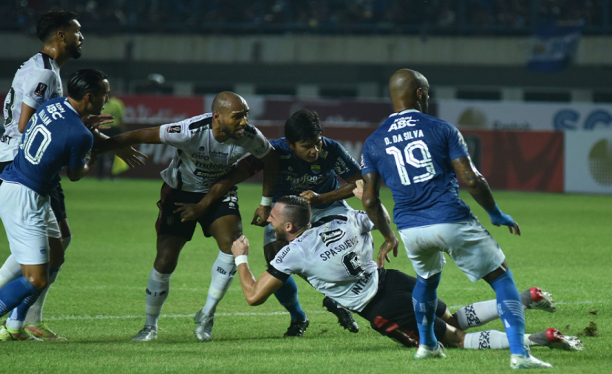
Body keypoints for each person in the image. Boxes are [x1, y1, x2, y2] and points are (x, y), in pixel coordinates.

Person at [0, 11, 143, 340]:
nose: (81, 37)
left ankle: (8, 315)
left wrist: (91, 137)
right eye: (77, 31)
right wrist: (91, 142)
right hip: (25, 166)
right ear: (61, 35)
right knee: (39, 254)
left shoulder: (43, 68)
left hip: (21, 164)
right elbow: (27, 126)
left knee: (51, 247)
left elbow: (58, 121)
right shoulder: (44, 74)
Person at [358, 69, 551, 369]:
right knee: (501, 278)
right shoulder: (442, 128)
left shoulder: (373, 142)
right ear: (420, 94)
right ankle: (520, 354)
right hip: (449, 218)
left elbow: (369, 199)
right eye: (428, 91)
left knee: (426, 280)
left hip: (410, 227)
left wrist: (387, 234)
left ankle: (428, 346)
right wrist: (495, 213)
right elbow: (471, 180)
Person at [229, 196, 583, 354]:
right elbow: (379, 212)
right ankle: (525, 299)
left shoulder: (292, 253)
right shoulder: (340, 220)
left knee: (454, 340)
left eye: (273, 218)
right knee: (450, 316)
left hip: (380, 306)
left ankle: (539, 338)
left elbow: (253, 295)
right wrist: (384, 230)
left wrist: (241, 258)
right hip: (395, 280)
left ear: (289, 225)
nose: (267, 221)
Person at [97, 91, 278, 342]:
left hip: (220, 193)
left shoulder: (249, 137)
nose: (244, 122)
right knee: (165, 261)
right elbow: (141, 134)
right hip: (180, 193)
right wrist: (100, 147)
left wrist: (265, 203)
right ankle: (150, 327)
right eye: (237, 116)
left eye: (246, 116)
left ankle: (207, 314)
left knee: (232, 245)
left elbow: (271, 160)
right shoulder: (188, 130)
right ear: (217, 116)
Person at [177, 108, 363, 337]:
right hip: (285, 213)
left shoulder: (332, 149)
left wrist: (321, 198)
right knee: (276, 260)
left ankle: (337, 300)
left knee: (336, 250)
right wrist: (202, 205)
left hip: (326, 206)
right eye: (307, 146)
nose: (315, 150)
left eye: (318, 143)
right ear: (290, 144)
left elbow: (360, 182)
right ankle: (298, 318)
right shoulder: (274, 151)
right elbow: (234, 176)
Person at [0, 68, 110, 345]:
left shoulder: (53, 104)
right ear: (89, 97)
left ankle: (15, 325)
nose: (107, 100)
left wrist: (82, 130)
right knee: (36, 279)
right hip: (24, 198)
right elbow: (75, 174)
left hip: (31, 191)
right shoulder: (81, 136)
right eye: (104, 95)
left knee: (57, 255)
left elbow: (55, 132)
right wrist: (91, 155)